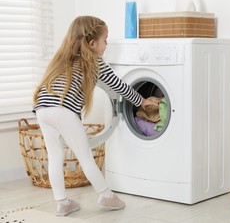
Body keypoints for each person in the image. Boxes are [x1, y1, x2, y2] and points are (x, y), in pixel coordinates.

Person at [33, 16, 159, 217]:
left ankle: (62, 203)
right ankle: (106, 196)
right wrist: (142, 101)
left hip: (42, 109)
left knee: (55, 157)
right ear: (92, 44)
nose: (107, 44)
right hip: (63, 111)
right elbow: (120, 86)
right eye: (105, 39)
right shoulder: (95, 62)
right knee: (86, 158)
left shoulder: (61, 59)